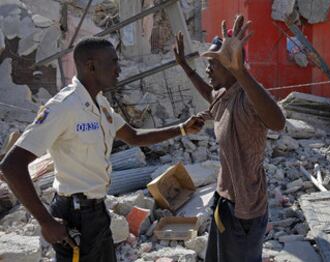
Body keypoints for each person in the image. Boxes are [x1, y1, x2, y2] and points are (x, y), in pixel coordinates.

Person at [0, 37, 205, 262]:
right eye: (113, 62)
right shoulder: (64, 107)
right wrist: (45, 222)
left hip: (97, 213)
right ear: (91, 66)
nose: (119, 69)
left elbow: (134, 136)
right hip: (74, 215)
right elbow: (12, 166)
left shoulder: (100, 104)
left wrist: (182, 129)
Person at [174, 15, 286, 261]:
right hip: (224, 202)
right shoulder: (223, 97)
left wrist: (241, 71)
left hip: (245, 210)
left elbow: (278, 122)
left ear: (230, 66)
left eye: (213, 64)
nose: (208, 68)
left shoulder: (246, 99)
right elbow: (209, 94)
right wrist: (185, 67)